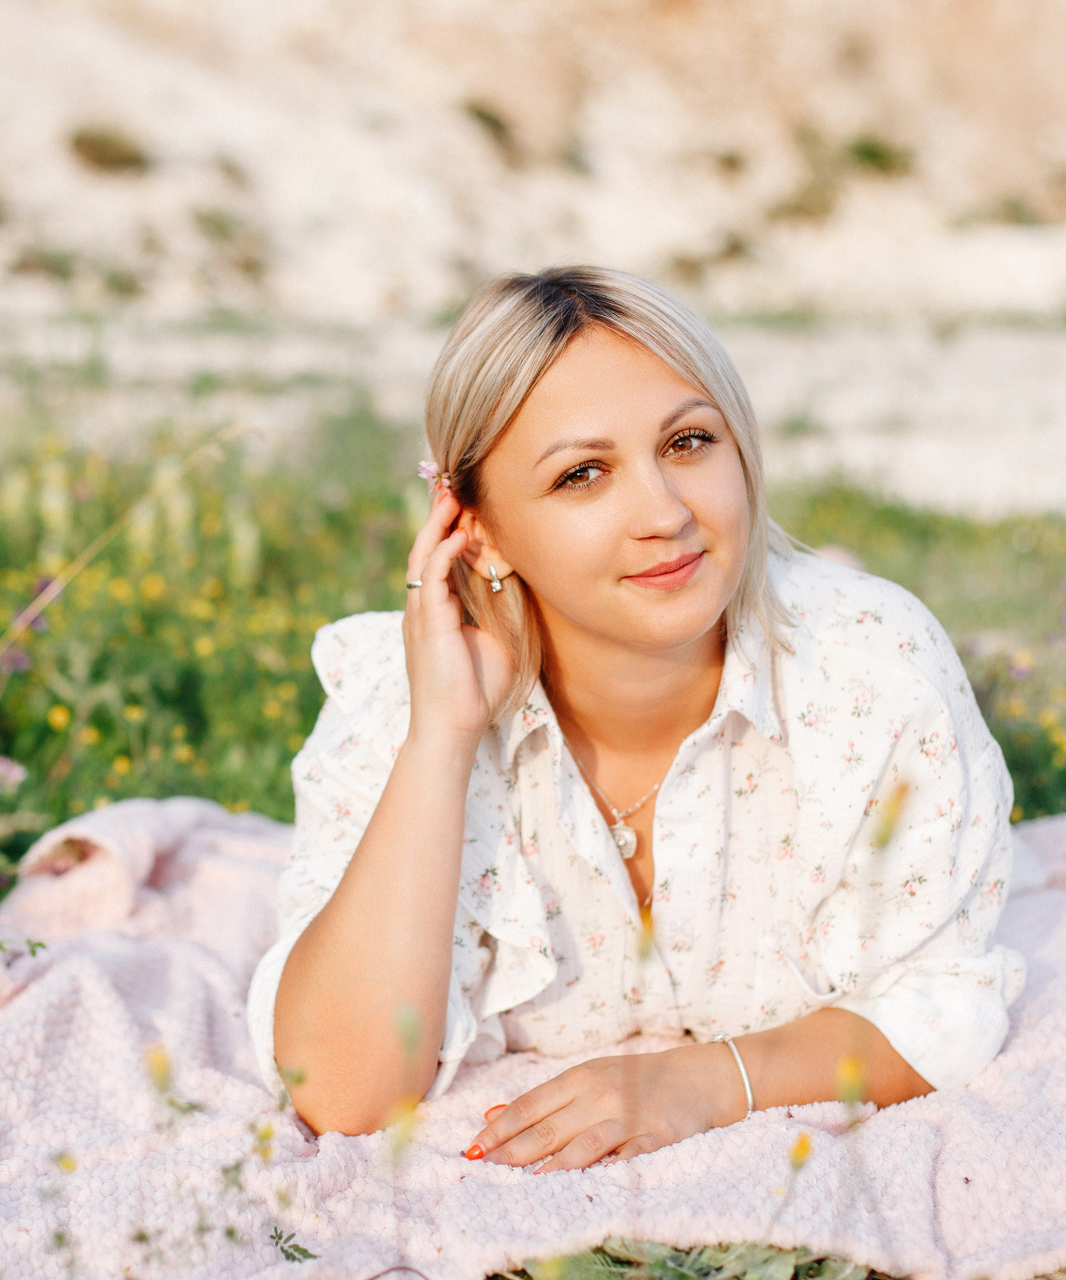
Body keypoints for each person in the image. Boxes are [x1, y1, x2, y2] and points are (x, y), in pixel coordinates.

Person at [246, 265, 1024, 1172]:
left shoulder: (871, 677)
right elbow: (342, 1090)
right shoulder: (400, 695)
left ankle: (826, 572)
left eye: (689, 442)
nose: (665, 513)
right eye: (582, 474)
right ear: (478, 531)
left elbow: (942, 1002)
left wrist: (709, 1080)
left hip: (833, 641)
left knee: (834, 616)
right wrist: (441, 741)